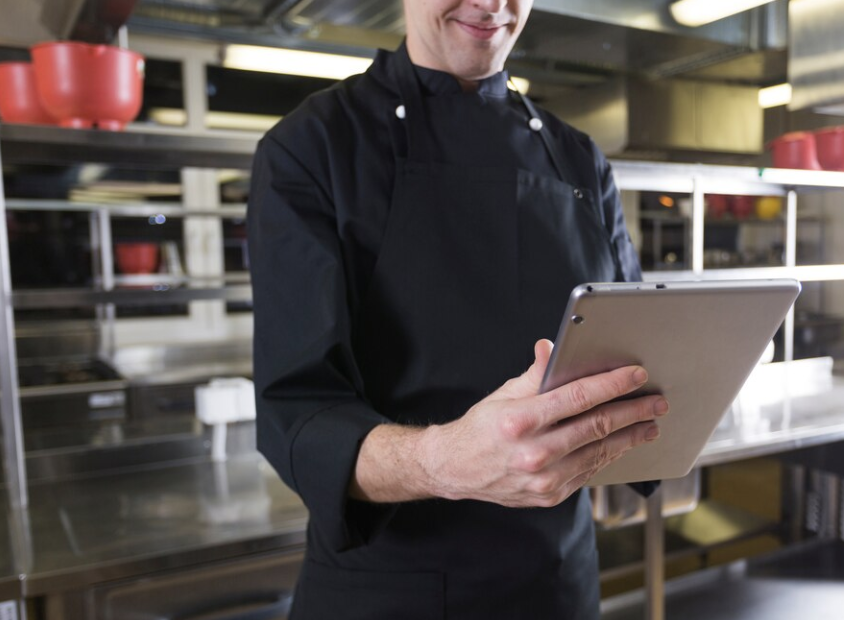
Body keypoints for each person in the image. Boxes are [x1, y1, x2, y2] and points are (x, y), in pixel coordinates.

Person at [247, 0, 668, 617]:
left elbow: (636, 356)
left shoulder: (579, 160)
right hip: (390, 591)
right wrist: (444, 463)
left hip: (557, 582)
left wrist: (691, 375)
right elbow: (299, 417)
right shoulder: (311, 148)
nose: (491, 4)